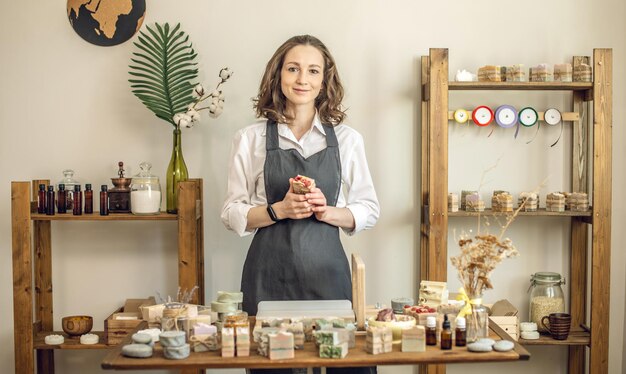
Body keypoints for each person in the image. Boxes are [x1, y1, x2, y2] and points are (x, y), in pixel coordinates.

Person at [221, 35, 379, 373]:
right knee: (272, 364)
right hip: (268, 276)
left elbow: (368, 208)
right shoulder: (250, 139)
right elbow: (231, 211)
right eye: (293, 69)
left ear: (324, 81)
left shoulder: (348, 140)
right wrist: (278, 210)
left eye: (312, 71)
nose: (302, 79)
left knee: (344, 364)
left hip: (329, 277)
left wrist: (328, 211)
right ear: (279, 75)